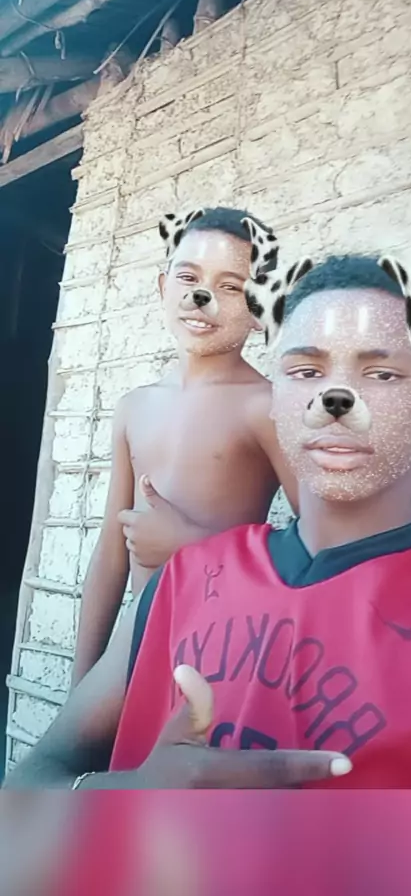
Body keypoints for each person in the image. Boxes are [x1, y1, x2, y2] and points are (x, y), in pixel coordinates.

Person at [5, 251, 411, 790]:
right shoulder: (178, 584)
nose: (337, 398)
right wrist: (122, 794)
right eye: (306, 371)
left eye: (382, 373)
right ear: (275, 395)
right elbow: (24, 791)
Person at [71, 205, 298, 687]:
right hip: (136, 649)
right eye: (189, 277)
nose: (202, 297)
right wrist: (82, 682)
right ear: (163, 287)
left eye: (230, 287)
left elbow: (322, 546)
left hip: (225, 656)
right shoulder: (134, 407)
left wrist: (192, 547)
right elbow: (112, 551)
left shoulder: (267, 407)